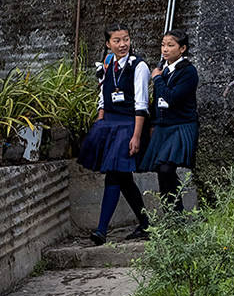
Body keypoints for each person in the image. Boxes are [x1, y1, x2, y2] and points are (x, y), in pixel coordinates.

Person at [77, 23, 151, 245]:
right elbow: (103, 96)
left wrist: (136, 136)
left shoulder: (139, 66)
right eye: (117, 41)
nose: (123, 44)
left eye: (126, 39)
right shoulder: (107, 65)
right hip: (109, 126)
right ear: (107, 44)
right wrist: (100, 123)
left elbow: (142, 104)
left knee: (113, 176)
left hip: (128, 126)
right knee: (124, 179)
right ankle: (146, 224)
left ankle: (101, 231)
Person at [140, 29, 199, 214]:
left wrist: (157, 78)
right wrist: (152, 124)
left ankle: (178, 214)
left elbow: (171, 97)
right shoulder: (164, 69)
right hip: (163, 126)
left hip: (181, 125)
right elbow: (156, 102)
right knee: (160, 169)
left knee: (167, 169)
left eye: (170, 45)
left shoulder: (188, 72)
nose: (165, 49)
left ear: (182, 49)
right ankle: (169, 215)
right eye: (163, 45)